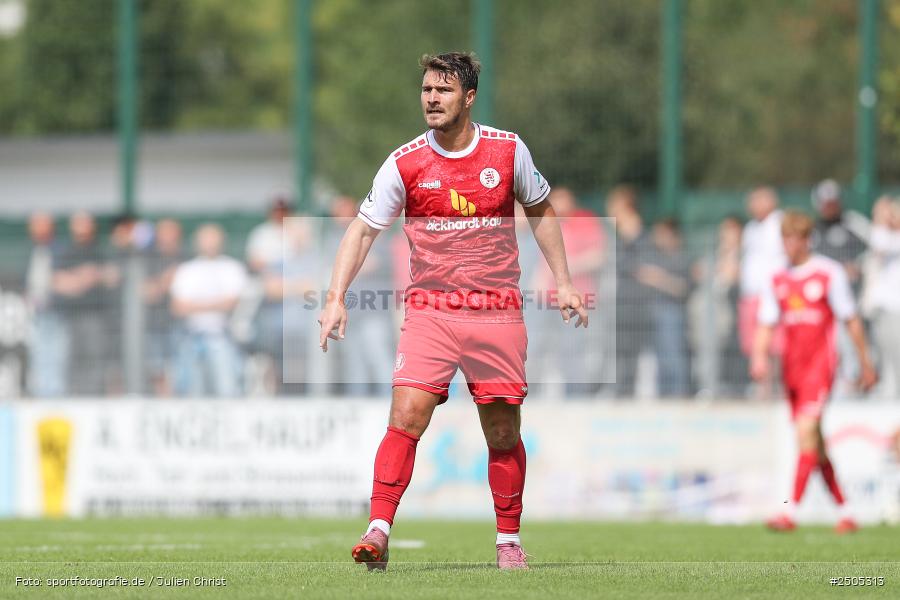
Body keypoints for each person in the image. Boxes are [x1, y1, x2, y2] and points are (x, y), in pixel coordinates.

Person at [317, 52, 587, 570]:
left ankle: (508, 541)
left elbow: (542, 211)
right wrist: (335, 297)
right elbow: (363, 228)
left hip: (497, 311)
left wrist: (566, 282)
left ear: (468, 97)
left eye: (442, 90)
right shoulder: (405, 162)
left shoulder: (508, 151)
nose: (431, 99)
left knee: (503, 430)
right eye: (425, 90)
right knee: (405, 417)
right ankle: (377, 531)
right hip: (431, 312)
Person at [750, 211, 877, 533]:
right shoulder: (777, 279)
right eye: (785, 238)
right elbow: (766, 324)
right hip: (791, 370)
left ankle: (788, 512)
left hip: (820, 368)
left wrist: (865, 362)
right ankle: (846, 512)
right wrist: (759, 357)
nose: (789, 245)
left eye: (794, 238)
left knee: (806, 433)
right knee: (814, 444)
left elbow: (851, 320)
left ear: (807, 240)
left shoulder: (828, 273)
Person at [170, 224, 247, 397]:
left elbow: (232, 304)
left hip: (223, 337)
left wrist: (195, 306)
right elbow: (178, 307)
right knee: (191, 392)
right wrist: (215, 305)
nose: (210, 243)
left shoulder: (231, 267)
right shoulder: (187, 270)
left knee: (227, 389)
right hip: (190, 337)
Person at [52, 212, 119, 395]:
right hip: (71, 316)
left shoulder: (101, 250)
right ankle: (74, 397)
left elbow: (113, 276)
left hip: (97, 317)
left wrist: (84, 277)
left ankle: (94, 397)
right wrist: (88, 277)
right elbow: (60, 283)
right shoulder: (66, 252)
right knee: (71, 360)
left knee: (95, 360)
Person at [606, 185, 653, 398]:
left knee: (631, 356)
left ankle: (627, 394)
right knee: (620, 355)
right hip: (621, 304)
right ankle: (621, 392)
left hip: (637, 306)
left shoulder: (642, 239)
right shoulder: (619, 240)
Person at [639, 218, 691, 397]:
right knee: (660, 361)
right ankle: (664, 397)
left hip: (672, 313)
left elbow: (683, 288)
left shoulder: (682, 258)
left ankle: (678, 396)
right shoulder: (656, 256)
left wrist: (659, 279)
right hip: (654, 312)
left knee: (673, 358)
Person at [24, 212, 66, 397]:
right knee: (39, 356)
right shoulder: (31, 251)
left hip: (57, 312)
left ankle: (55, 396)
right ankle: (42, 394)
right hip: (37, 313)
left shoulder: (59, 250)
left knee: (56, 355)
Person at [143, 219, 183, 396]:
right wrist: (166, 280)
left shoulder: (185, 258)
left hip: (182, 324)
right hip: (156, 323)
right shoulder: (148, 260)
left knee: (180, 370)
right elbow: (146, 293)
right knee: (157, 368)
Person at [867, 197, 900, 398]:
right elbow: (879, 241)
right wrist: (882, 215)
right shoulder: (883, 236)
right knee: (888, 355)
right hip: (889, 308)